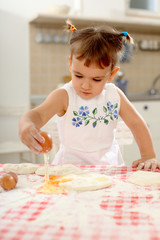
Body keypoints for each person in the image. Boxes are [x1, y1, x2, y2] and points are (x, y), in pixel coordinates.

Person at [19, 20, 160, 170]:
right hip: (69, 171)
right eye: (78, 76)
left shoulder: (114, 95)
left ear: (111, 74)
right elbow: (36, 116)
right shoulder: (64, 96)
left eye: (96, 79)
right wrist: (26, 126)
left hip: (109, 170)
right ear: (70, 64)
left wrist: (148, 155)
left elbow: (136, 123)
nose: (85, 85)